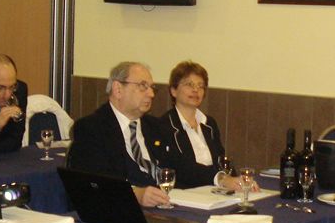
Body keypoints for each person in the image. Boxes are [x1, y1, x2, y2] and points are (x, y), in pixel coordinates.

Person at [66, 61, 171, 208]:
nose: (151, 94)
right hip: (118, 209)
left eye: (152, 87)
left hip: (166, 204)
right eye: (143, 86)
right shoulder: (92, 128)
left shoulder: (156, 127)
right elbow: (92, 184)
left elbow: (173, 169)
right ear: (118, 89)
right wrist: (134, 194)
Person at [157, 61, 241, 190]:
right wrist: (220, 179)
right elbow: (182, 168)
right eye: (189, 84)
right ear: (173, 91)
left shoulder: (209, 124)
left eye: (200, 86)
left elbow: (222, 162)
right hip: (185, 192)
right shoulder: (164, 125)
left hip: (215, 190)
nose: (196, 90)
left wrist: (237, 181)